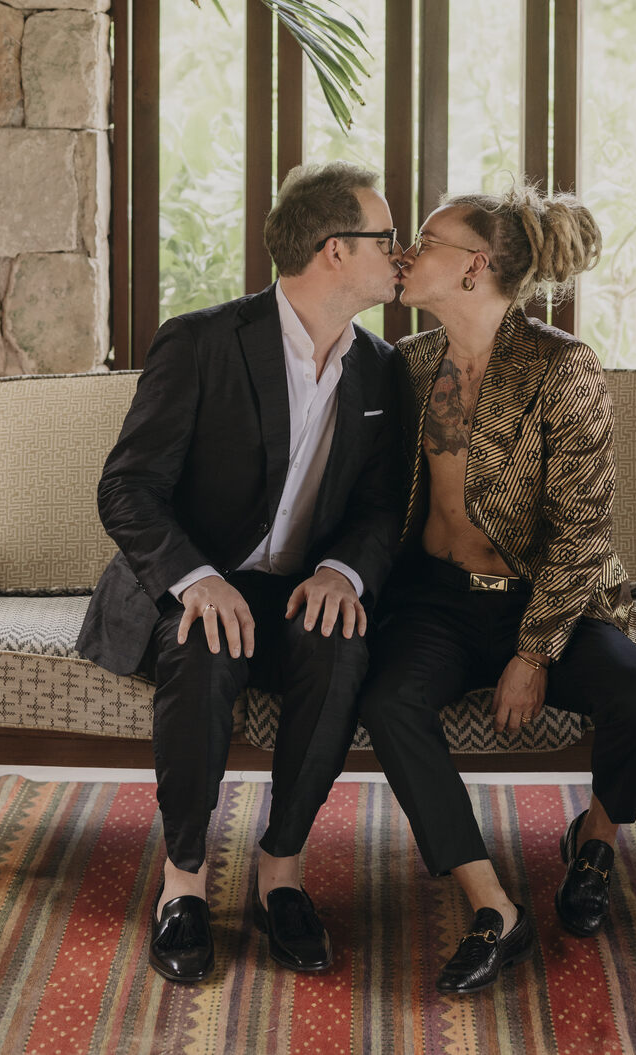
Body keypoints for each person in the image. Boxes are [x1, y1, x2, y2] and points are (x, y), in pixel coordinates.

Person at [76, 161, 404, 985]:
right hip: (195, 577)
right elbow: (126, 486)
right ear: (335, 249)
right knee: (202, 644)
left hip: (297, 588)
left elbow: (380, 508)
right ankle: (183, 880)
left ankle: (281, 871)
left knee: (341, 645)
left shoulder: (380, 368)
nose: (398, 254)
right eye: (386, 237)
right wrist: (195, 578)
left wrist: (341, 572)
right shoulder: (201, 342)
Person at [359, 181, 636, 997]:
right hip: (435, 601)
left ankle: (595, 842)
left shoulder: (562, 368)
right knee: (388, 701)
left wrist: (533, 654)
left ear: (474, 266)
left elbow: (583, 529)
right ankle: (492, 905)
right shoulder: (409, 364)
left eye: (425, 241)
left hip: (540, 596)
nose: (406, 253)